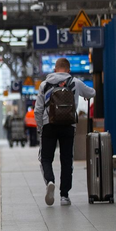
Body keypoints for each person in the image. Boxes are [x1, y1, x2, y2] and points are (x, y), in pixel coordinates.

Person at [34, 57, 95, 206]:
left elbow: (38, 110)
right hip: (68, 125)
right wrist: (85, 96)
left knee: (46, 158)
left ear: (55, 69)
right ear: (68, 70)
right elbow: (92, 93)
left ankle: (49, 181)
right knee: (67, 160)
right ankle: (64, 196)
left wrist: (40, 127)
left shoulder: (45, 84)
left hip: (49, 125)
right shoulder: (75, 82)